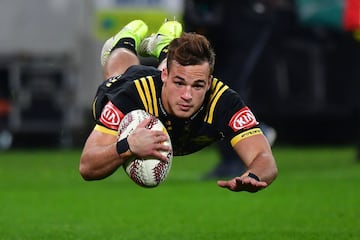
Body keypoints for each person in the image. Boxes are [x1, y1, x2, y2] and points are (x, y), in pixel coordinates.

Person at [79, 19, 278, 192]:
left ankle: (166, 45)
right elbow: (87, 166)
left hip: (168, 84)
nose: (187, 96)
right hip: (137, 87)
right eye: (179, 83)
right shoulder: (132, 96)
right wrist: (128, 146)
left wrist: (254, 176)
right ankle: (126, 39)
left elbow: (264, 159)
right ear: (164, 76)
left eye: (198, 85)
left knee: (181, 71)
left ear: (209, 82)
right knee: (118, 74)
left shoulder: (224, 101)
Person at [183, 0, 285, 178]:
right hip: (218, 21)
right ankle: (254, 135)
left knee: (229, 86)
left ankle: (238, 156)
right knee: (213, 85)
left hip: (247, 17)